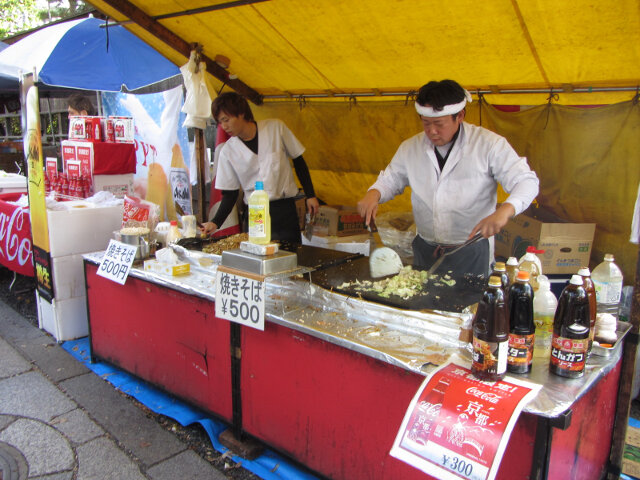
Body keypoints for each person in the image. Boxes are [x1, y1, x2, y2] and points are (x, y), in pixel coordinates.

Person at [357, 79, 539, 277]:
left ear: (460, 115)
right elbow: (391, 179)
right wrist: (374, 193)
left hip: (470, 249)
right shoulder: (410, 147)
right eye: (426, 123)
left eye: (438, 124)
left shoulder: (489, 144)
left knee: (469, 304)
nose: (431, 131)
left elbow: (526, 181)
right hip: (426, 248)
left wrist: (505, 210)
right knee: (421, 302)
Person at [200, 92, 320, 243]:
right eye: (220, 122)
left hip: (284, 210)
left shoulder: (276, 128)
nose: (224, 126)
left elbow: (299, 161)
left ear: (241, 113)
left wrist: (310, 195)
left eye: (226, 120)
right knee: (259, 257)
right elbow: (230, 194)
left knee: (291, 257)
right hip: (255, 213)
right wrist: (215, 222)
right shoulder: (227, 151)